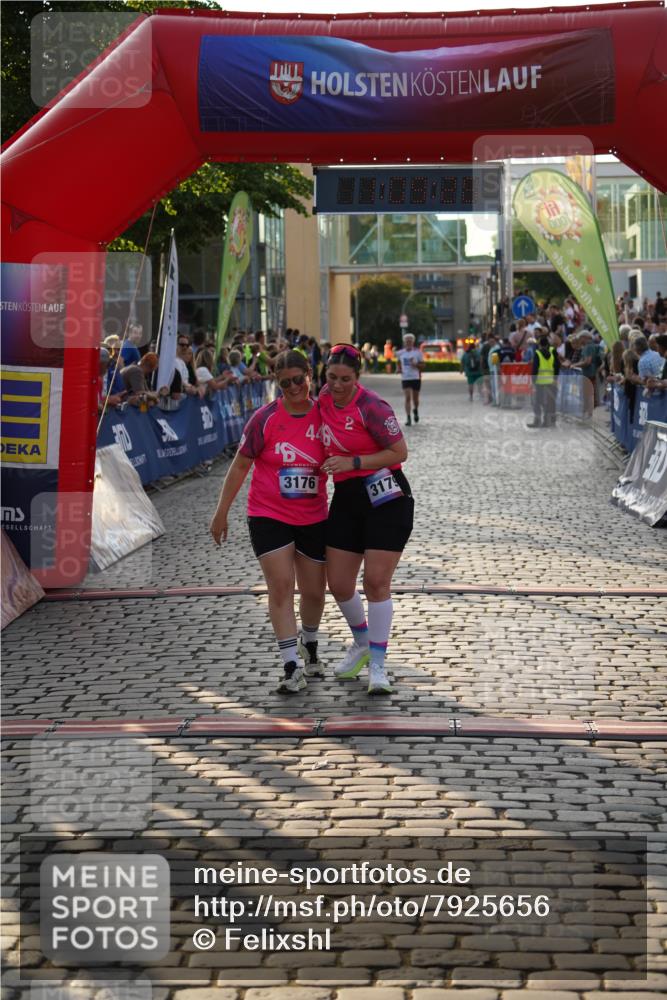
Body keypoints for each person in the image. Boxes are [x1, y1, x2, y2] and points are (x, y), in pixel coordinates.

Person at [209, 350, 328, 694]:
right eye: (284, 382)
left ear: (309, 374)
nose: (293, 387)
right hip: (268, 513)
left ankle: (310, 642)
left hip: (313, 516)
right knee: (280, 586)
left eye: (298, 379)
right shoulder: (264, 419)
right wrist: (221, 511)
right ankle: (291, 665)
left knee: (314, 591)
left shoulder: (325, 416)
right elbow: (240, 466)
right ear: (277, 383)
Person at [318, 343, 413, 696]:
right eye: (331, 378)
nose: (338, 385)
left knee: (375, 582)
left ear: (358, 378)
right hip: (347, 498)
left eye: (345, 379)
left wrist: (353, 462)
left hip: (386, 496)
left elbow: (399, 451)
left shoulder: (372, 406)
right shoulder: (321, 401)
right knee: (339, 584)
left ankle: (378, 664)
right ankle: (360, 641)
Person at [527, 335, 560, 428]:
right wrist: (555, 378)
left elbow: (535, 369)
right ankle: (549, 421)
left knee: (537, 402)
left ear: (540, 344)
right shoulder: (553, 351)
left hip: (540, 382)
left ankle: (537, 421)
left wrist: (533, 381)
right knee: (550, 401)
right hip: (551, 382)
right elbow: (557, 366)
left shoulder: (538, 353)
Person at [395, 333, 424, 426]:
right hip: (405, 378)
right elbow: (398, 363)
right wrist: (398, 369)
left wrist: (415, 364)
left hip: (415, 377)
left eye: (410, 341)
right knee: (407, 397)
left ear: (413, 342)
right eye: (407, 341)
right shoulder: (400, 353)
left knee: (415, 399)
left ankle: (415, 410)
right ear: (404, 342)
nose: (408, 343)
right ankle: (408, 418)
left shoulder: (418, 352)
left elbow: (423, 365)